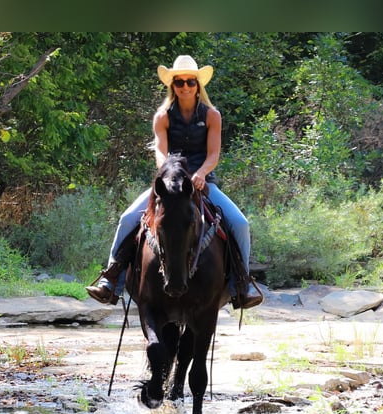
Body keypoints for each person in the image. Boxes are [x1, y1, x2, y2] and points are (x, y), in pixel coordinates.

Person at [86, 55, 263, 309]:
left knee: (240, 224)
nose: (185, 87)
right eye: (179, 82)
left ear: (198, 85)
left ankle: (241, 286)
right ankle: (111, 280)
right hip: (169, 186)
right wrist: (169, 176)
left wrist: (200, 174)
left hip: (203, 184)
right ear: (173, 86)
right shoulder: (163, 116)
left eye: (190, 82)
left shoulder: (212, 115)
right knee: (127, 219)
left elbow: (213, 154)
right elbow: (160, 152)